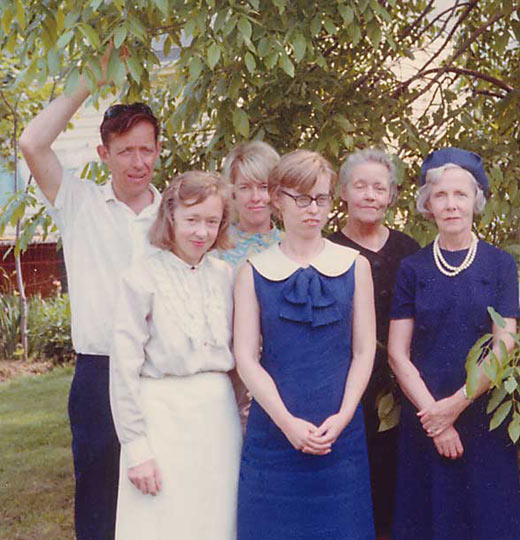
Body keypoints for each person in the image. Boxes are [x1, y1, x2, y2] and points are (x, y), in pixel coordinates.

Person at [19, 58, 162, 539]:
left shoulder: (178, 213)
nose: (138, 162)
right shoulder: (77, 203)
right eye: (125, 151)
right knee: (100, 504)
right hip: (98, 374)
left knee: (163, 497)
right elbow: (31, 143)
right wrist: (87, 83)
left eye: (146, 149)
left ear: (159, 150)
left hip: (161, 372)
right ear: (104, 153)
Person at [234, 149, 377, 540]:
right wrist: (287, 424)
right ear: (278, 200)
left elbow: (364, 351)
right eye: (301, 198)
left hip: (339, 438)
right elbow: (246, 358)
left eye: (321, 198)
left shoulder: (354, 266)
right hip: (274, 438)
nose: (312, 209)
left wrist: (345, 415)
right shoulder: (253, 271)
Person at [388, 147, 520, 540]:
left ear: (476, 200)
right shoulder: (412, 267)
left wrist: (456, 405)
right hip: (424, 417)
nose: (450, 205)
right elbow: (397, 352)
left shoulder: (500, 266)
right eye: (440, 195)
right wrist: (435, 417)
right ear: (427, 204)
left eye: (460, 195)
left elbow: (505, 344)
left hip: (482, 414)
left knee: (487, 520)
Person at [109, 171, 242, 540]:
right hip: (162, 418)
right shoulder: (141, 277)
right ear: (170, 218)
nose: (201, 232)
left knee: (215, 521)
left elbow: (241, 358)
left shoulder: (226, 276)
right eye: (192, 220)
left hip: (217, 418)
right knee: (163, 522)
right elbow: (123, 368)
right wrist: (136, 448)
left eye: (211, 221)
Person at [328, 148, 419, 539]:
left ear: (391, 195)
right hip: (343, 384)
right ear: (343, 192)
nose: (369, 195)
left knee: (395, 489)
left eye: (378, 187)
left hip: (400, 388)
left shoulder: (409, 250)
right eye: (360, 186)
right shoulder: (327, 249)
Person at [218, 141, 282, 268]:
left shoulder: (291, 245)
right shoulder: (216, 245)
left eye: (264, 187)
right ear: (232, 192)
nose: (255, 197)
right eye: (245, 187)